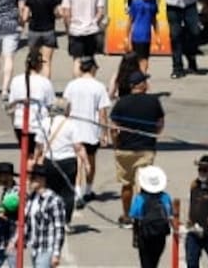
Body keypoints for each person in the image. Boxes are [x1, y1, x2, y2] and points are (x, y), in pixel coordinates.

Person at [110, 71, 165, 223]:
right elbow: (160, 124)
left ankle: (127, 215)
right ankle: (142, 215)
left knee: (126, 185)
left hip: (125, 149)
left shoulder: (122, 102)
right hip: (146, 148)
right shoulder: (153, 101)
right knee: (144, 185)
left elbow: (114, 128)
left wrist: (116, 144)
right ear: (141, 85)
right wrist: (154, 135)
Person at [62, 55, 110, 204]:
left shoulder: (72, 85)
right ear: (93, 68)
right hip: (91, 130)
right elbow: (102, 113)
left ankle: (76, 192)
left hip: (73, 129)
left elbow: (66, 108)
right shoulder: (99, 86)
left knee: (77, 162)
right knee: (90, 161)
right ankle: (87, 190)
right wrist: (104, 133)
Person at [43, 103, 87, 225]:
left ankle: (51, 218)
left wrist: (37, 160)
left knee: (50, 191)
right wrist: (86, 163)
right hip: (68, 161)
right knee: (68, 192)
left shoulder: (46, 122)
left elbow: (38, 145)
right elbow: (79, 147)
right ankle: (66, 220)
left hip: (49, 161)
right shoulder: (72, 125)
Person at [8, 47, 55, 156]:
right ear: (40, 65)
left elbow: (11, 107)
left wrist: (14, 124)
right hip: (38, 126)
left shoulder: (16, 80)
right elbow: (50, 106)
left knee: (26, 155)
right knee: (37, 156)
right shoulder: (45, 82)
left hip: (20, 124)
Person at [62, 0, 105, 76]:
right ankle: (89, 82)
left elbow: (66, 13)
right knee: (90, 59)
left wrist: (68, 27)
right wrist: (95, 21)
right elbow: (100, 11)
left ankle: (77, 84)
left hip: (75, 30)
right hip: (91, 30)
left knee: (77, 60)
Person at [130, 166, 173, 268]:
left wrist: (135, 238)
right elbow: (169, 215)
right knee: (154, 261)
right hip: (160, 235)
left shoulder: (140, 198)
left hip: (145, 235)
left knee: (145, 263)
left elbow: (135, 218)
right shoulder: (165, 197)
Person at [25, 165, 67, 268]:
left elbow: (59, 229)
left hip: (47, 249)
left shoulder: (54, 200)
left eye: (33, 178)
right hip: (35, 248)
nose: (30, 181)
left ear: (42, 179)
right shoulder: (32, 198)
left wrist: (56, 254)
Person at [25, 0, 62, 78]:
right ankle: (46, 86)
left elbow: (25, 16)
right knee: (46, 62)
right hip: (48, 30)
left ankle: (32, 85)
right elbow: (58, 14)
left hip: (34, 30)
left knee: (33, 60)